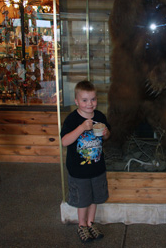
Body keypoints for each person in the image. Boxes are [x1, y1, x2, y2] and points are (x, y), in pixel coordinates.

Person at [61, 80, 111, 243]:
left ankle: (91, 223)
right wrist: (82, 128)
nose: (90, 104)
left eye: (93, 99)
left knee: (95, 198)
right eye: (84, 100)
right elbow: (65, 141)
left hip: (97, 168)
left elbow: (107, 136)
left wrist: (105, 133)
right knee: (83, 200)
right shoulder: (72, 119)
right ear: (76, 101)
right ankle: (82, 225)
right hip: (78, 171)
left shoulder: (100, 116)